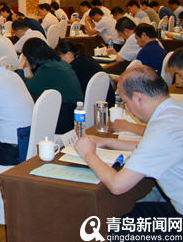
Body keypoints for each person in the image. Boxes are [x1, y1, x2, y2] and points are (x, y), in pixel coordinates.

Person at [75, 66, 183, 221]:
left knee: (116, 224)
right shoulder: (176, 109)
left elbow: (117, 185)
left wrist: (88, 153)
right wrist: (106, 141)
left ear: (138, 98)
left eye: (125, 102)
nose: (128, 110)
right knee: (134, 209)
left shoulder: (161, 130)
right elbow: (150, 147)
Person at [16, 38, 84, 134]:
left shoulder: (47, 69)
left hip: (63, 117)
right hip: (74, 113)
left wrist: (20, 69)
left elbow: (27, 88)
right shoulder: (59, 63)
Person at [57, 39, 115, 106]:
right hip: (106, 99)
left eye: (60, 57)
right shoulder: (85, 58)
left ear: (69, 54)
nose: (60, 61)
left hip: (96, 103)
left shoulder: (75, 65)